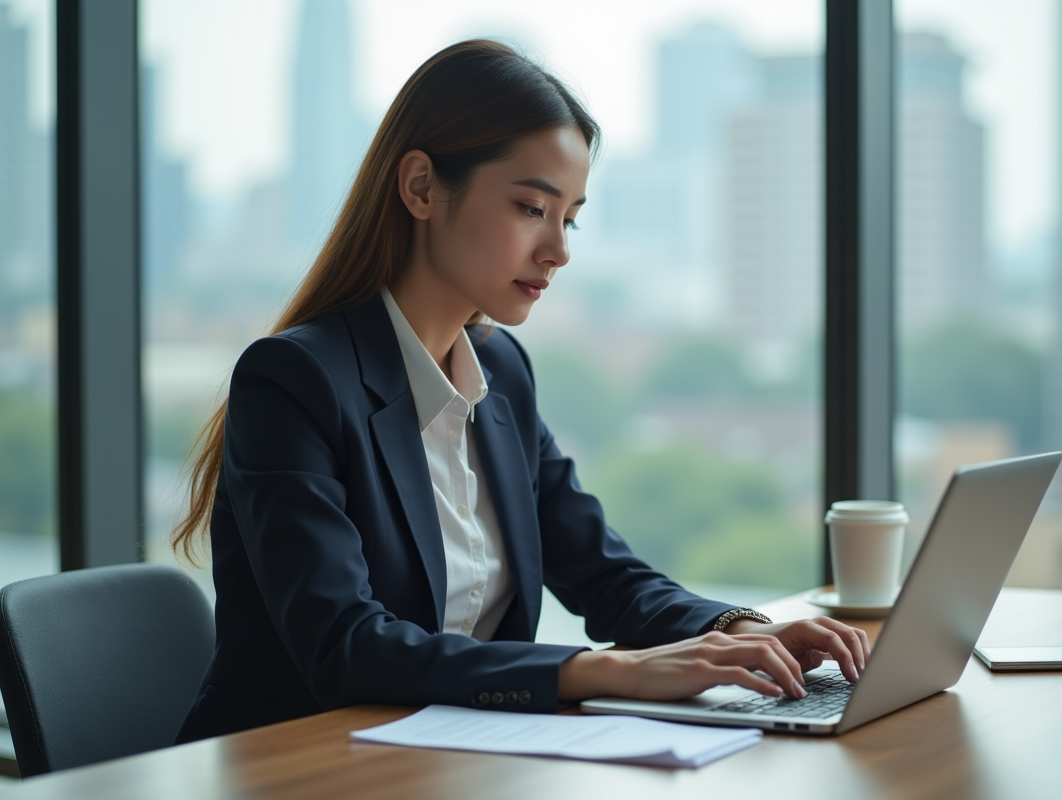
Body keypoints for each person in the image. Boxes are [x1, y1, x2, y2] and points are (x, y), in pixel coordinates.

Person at [173, 39, 869, 744]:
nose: (559, 250)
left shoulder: (501, 374)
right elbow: (348, 647)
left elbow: (603, 573)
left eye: (569, 218)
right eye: (532, 208)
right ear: (419, 188)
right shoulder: (295, 382)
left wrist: (747, 631)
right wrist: (611, 672)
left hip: (457, 762)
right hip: (298, 768)